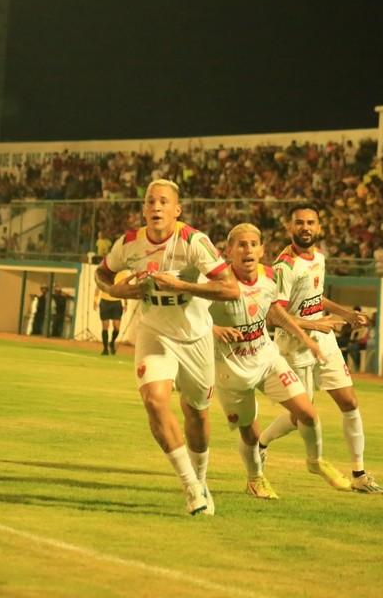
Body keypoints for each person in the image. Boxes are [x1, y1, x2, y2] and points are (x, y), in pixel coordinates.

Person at [96, 179, 239, 516]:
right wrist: (114, 291)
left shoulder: (193, 241)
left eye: (163, 202)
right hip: (154, 332)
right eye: (150, 202)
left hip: (195, 336)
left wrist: (183, 285)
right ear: (144, 209)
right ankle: (191, 487)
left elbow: (231, 289)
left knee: (197, 414)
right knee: (154, 400)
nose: (156, 207)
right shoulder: (128, 243)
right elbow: (102, 274)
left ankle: (201, 479)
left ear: (177, 210)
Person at [210, 223, 347, 499]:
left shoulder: (269, 276)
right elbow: (190, 316)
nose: (247, 250)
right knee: (250, 433)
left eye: (253, 244)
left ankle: (315, 461)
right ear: (228, 251)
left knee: (307, 412)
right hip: (231, 369)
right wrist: (214, 329)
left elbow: (275, 313)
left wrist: (307, 338)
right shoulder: (215, 284)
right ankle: (255, 479)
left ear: (262, 250)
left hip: (267, 358)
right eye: (241, 245)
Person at [258, 204, 383, 494]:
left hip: (323, 338)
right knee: (301, 416)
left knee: (349, 402)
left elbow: (316, 298)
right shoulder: (284, 266)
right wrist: (314, 324)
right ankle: (260, 443)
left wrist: (346, 313)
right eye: (299, 222)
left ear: (319, 227)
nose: (305, 227)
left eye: (310, 222)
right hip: (294, 345)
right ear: (289, 227)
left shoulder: (318, 257)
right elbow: (274, 315)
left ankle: (359, 474)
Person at [94, 269, 130, 355]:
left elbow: (124, 288)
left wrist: (126, 302)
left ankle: (112, 342)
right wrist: (95, 300)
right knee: (105, 326)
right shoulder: (105, 272)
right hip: (105, 301)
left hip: (116, 302)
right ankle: (105, 349)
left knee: (116, 327)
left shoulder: (123, 274)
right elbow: (99, 286)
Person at [337, 306, 369, 372]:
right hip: (349, 340)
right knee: (343, 344)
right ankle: (345, 365)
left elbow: (360, 333)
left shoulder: (362, 322)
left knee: (351, 346)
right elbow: (344, 332)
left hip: (357, 342)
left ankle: (356, 365)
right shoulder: (347, 324)